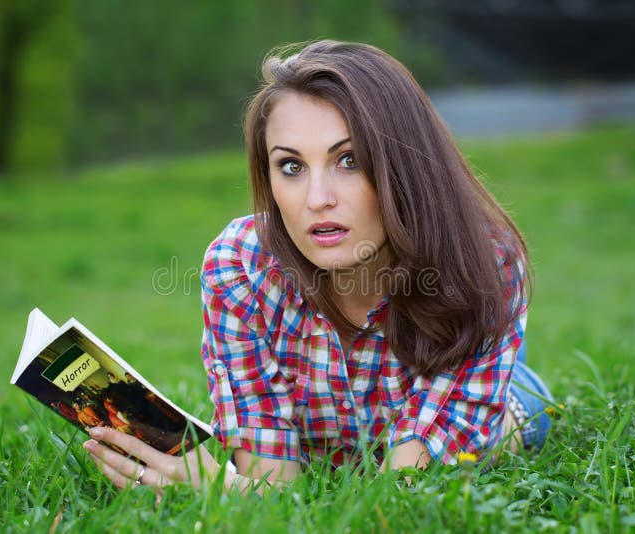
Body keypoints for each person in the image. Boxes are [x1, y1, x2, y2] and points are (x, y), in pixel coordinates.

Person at [83, 40, 554, 495]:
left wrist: (223, 488)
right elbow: (270, 481)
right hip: (357, 413)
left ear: (403, 164)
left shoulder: (484, 260)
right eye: (291, 166)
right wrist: (229, 486)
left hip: (464, 355)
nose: (317, 199)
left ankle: (512, 377)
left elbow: (399, 489)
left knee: (517, 419)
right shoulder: (238, 268)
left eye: (348, 160)